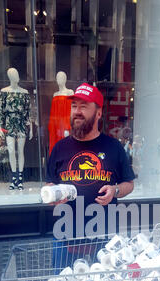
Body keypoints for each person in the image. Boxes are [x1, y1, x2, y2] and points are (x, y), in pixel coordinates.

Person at [46, 82, 135, 228]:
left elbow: (129, 184)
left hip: (104, 236)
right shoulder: (59, 148)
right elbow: (50, 182)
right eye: (74, 106)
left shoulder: (114, 147)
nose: (77, 111)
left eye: (84, 106)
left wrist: (115, 190)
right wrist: (52, 194)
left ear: (98, 113)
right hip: (65, 236)